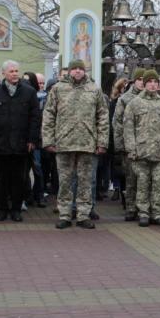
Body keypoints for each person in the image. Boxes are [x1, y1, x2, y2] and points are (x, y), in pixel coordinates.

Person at [43, 60, 108, 230]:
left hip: (87, 143)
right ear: (69, 71)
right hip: (64, 143)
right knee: (65, 181)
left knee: (85, 182)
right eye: (74, 69)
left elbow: (102, 117)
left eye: (80, 69)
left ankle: (83, 215)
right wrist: (48, 140)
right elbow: (49, 115)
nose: (77, 71)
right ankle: (64, 214)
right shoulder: (58, 89)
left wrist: (102, 142)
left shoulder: (94, 89)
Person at [0, 60, 39, 222]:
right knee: (1, 179)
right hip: (1, 143)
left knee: (19, 179)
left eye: (17, 71)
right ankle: (2, 209)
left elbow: (35, 118)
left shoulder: (29, 92)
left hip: (21, 144)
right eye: (11, 71)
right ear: (4, 74)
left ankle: (16, 209)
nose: (15, 74)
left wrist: (32, 139)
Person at [124, 70, 160, 227]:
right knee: (143, 184)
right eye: (149, 82)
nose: (153, 85)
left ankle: (157, 214)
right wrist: (131, 149)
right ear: (144, 84)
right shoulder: (134, 104)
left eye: (155, 82)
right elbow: (128, 128)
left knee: (159, 184)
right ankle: (143, 213)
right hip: (141, 152)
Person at [113, 68, 145, 221]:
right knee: (131, 179)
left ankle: (144, 208)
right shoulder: (125, 99)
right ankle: (131, 208)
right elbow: (118, 123)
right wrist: (120, 145)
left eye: (144, 80)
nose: (142, 82)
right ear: (134, 81)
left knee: (145, 180)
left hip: (148, 146)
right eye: (139, 79)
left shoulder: (155, 98)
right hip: (130, 145)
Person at [23, 72, 48, 208]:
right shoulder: (24, 95)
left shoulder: (46, 99)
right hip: (24, 139)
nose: (40, 85)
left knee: (37, 169)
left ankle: (39, 195)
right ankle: (27, 196)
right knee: (24, 170)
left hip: (38, 139)